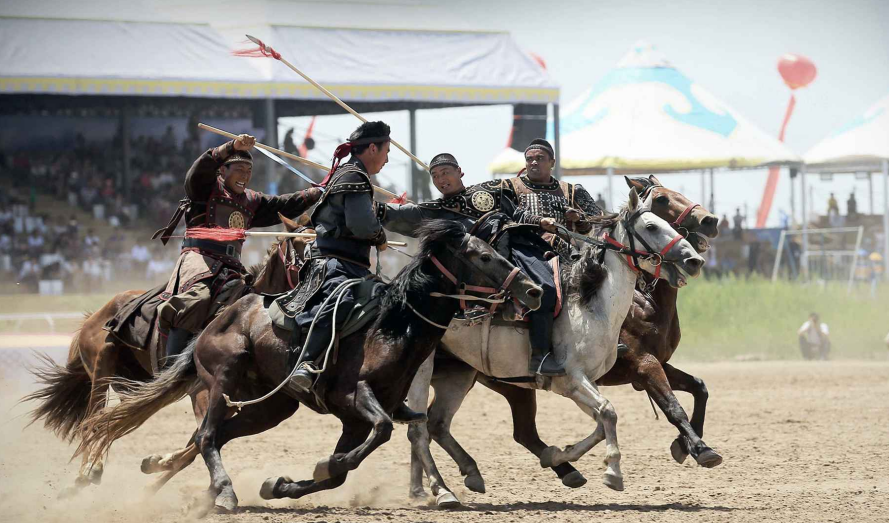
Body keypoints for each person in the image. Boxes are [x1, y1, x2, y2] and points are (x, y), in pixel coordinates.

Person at [381, 153, 563, 376]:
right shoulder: (434, 210)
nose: (441, 179)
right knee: (541, 290)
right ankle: (540, 357)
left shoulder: (488, 190)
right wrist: (365, 202)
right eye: (435, 176)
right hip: (485, 266)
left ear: (459, 172)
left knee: (550, 285)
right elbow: (394, 214)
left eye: (446, 172)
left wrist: (540, 221)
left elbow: (515, 213)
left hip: (520, 247)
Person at [149, 134, 321, 363]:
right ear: (222, 170)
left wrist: (316, 193)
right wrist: (230, 147)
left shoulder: (251, 200)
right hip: (199, 259)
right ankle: (171, 364)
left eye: (248, 171)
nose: (245, 176)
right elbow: (198, 170)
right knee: (197, 299)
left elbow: (284, 204)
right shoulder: (204, 189)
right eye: (239, 169)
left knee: (253, 300)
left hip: (231, 266)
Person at [288, 121, 408, 397]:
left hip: (353, 263)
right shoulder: (354, 176)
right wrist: (379, 237)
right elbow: (362, 226)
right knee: (341, 300)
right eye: (387, 152)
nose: (388, 159)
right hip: (334, 262)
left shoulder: (352, 175)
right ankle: (304, 364)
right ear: (373, 148)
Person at [504, 139, 604, 374]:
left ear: (552, 162)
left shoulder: (573, 190)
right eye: (529, 159)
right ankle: (539, 355)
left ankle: (604, 343)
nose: (534, 163)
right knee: (545, 290)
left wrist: (578, 217)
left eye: (539, 158)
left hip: (567, 254)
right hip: (525, 251)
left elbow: (597, 220)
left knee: (602, 286)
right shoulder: (510, 187)